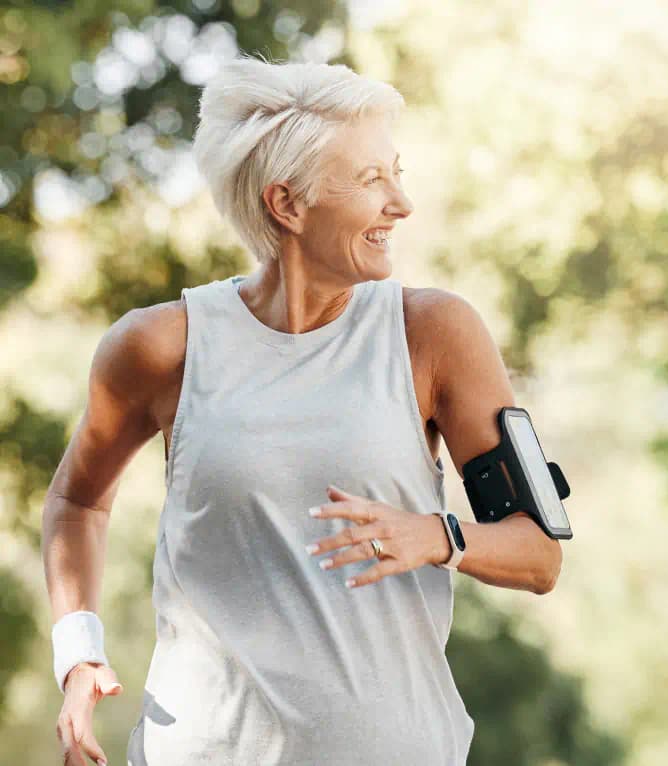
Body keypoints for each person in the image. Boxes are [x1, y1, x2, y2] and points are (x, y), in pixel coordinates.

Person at [42, 58, 562, 766]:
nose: (402, 204)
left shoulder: (433, 332)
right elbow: (77, 499)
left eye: (396, 171)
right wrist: (78, 656)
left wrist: (437, 536)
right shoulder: (161, 347)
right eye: (372, 179)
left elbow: (539, 554)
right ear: (286, 204)